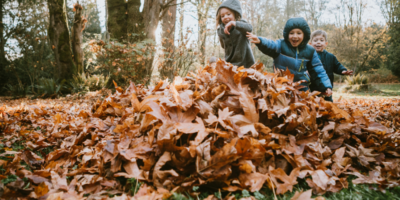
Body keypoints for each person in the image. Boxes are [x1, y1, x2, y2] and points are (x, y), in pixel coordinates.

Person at [246, 17, 332, 96]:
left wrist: (326, 86)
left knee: (302, 108)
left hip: (301, 87)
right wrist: (260, 41)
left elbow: (318, 70)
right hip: (282, 86)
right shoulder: (281, 45)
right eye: (291, 33)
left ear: (304, 35)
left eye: (299, 33)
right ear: (287, 35)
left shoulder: (310, 51)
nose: (295, 36)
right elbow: (271, 44)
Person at [308, 30, 354, 102]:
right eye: (315, 40)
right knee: (313, 104)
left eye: (321, 40)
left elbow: (337, 65)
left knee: (328, 104)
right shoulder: (308, 57)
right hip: (313, 88)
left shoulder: (330, 57)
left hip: (327, 89)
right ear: (310, 44)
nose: (318, 42)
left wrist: (343, 70)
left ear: (326, 43)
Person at [216, 0, 255, 68]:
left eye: (228, 14)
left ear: (235, 14)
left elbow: (250, 28)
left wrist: (234, 23)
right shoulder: (220, 30)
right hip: (231, 64)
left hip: (246, 64)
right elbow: (223, 46)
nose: (225, 17)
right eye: (222, 16)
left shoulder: (241, 24)